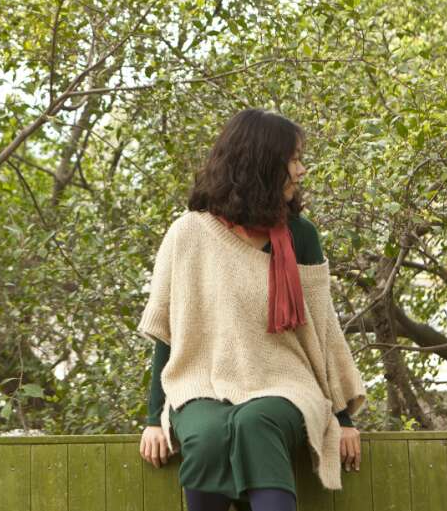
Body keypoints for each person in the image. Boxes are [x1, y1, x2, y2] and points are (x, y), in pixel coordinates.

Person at [136, 108, 366, 511]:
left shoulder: (300, 235)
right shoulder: (188, 234)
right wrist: (155, 419)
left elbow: (324, 331)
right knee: (208, 437)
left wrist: (343, 419)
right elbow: (168, 334)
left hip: (285, 381)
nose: (301, 170)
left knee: (255, 422)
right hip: (202, 383)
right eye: (293, 160)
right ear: (262, 164)